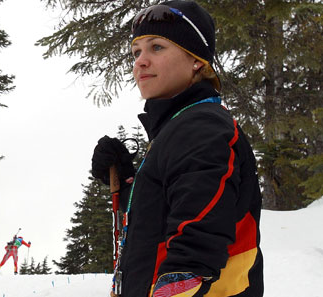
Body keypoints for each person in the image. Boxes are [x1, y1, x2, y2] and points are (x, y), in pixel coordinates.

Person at [91, 1, 263, 296]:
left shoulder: (202, 128)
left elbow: (195, 245)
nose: (140, 62)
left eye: (157, 47)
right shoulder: (180, 128)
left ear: (196, 60)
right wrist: (128, 181)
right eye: (136, 52)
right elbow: (169, 219)